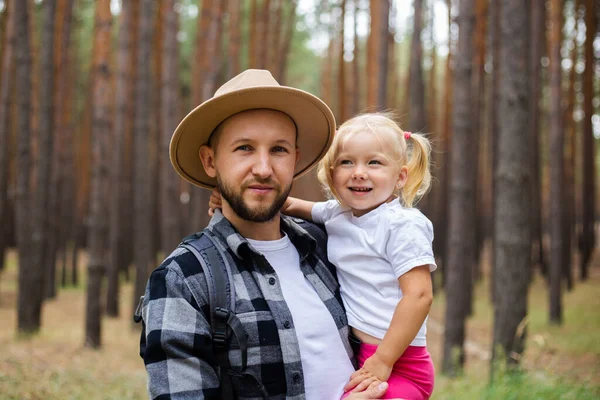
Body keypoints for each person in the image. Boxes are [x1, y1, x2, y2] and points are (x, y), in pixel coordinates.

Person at [138, 69, 388, 400]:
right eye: (244, 148)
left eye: (279, 150)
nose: (264, 169)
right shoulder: (183, 280)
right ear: (211, 161)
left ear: (295, 160)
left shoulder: (329, 248)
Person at [211, 112, 436, 399]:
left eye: (374, 162)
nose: (359, 172)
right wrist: (229, 197)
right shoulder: (336, 214)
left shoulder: (403, 224)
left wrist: (383, 360)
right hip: (363, 356)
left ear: (400, 176)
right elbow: (286, 203)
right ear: (331, 174)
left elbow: (419, 296)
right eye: (346, 162)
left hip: (402, 363)